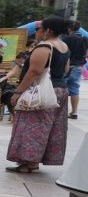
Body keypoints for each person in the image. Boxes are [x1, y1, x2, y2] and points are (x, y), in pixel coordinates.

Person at [5, 16, 71, 173]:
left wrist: (18, 92)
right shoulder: (64, 47)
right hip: (60, 90)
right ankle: (34, 162)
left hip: (43, 91)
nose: (36, 32)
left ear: (49, 31)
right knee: (50, 128)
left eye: (39, 29)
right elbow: (66, 70)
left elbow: (34, 72)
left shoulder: (44, 47)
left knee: (32, 126)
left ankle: (29, 163)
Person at [63, 23, 85, 119]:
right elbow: (85, 53)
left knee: (62, 88)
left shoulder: (67, 38)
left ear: (69, 28)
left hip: (67, 65)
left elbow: (63, 51)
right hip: (79, 66)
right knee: (75, 89)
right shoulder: (84, 39)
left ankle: (61, 112)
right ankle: (74, 112)